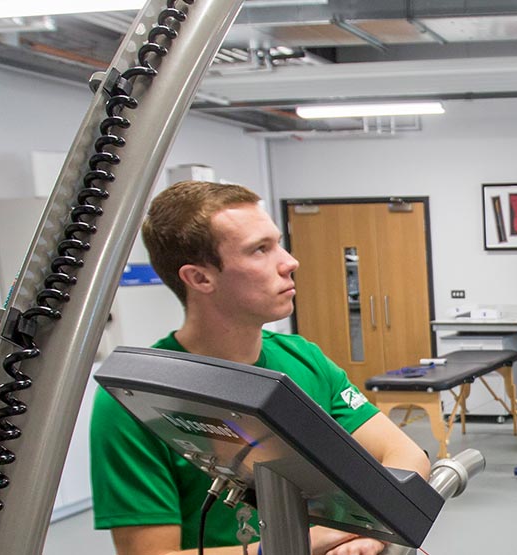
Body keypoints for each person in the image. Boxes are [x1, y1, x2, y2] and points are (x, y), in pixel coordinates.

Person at [91, 181, 431, 555]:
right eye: (260, 250)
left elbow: (404, 454)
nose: (289, 262)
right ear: (200, 278)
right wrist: (291, 546)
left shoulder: (303, 359)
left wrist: (375, 530)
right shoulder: (132, 401)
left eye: (278, 243)